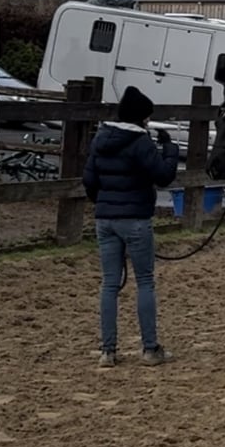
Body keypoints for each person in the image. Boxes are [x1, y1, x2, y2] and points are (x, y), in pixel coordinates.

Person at [82, 85, 179, 367]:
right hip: (136, 218)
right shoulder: (141, 143)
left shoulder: (100, 139)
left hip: (105, 219)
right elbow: (163, 176)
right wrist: (170, 150)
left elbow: (89, 182)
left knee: (109, 283)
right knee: (145, 281)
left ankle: (107, 350)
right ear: (140, 117)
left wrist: (103, 203)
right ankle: (150, 348)